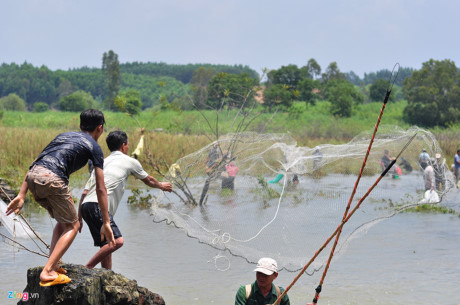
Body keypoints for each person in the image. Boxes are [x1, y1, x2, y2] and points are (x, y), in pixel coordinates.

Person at [6, 109, 115, 287]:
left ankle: (53, 264)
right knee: (73, 225)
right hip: (52, 179)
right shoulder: (95, 147)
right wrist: (106, 222)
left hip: (34, 177)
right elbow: (101, 188)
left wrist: (21, 194)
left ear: (80, 125)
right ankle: (48, 271)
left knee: (63, 222)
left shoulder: (62, 136)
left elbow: (36, 162)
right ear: (100, 128)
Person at [78, 130, 173, 269]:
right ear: (123, 145)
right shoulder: (130, 161)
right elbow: (149, 180)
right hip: (98, 205)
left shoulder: (102, 162)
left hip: (86, 206)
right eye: (128, 144)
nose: (128, 147)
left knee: (107, 243)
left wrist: (79, 217)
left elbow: (85, 192)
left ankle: (107, 275)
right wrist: (161, 185)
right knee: (117, 241)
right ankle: (86, 268)